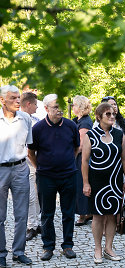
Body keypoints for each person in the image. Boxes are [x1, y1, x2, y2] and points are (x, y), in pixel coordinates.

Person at [28, 94, 80, 261]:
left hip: (68, 175)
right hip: (46, 177)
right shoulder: (37, 128)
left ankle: (68, 245)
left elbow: (76, 148)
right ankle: (48, 246)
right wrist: (40, 168)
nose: (60, 110)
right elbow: (31, 153)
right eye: (55, 107)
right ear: (46, 109)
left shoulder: (71, 126)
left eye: (61, 107)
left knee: (68, 212)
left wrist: (66, 162)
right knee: (47, 213)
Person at [82, 103, 125, 264]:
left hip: (115, 181)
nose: (111, 116)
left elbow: (124, 159)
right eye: (107, 114)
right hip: (97, 181)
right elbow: (85, 160)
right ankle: (97, 249)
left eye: (113, 114)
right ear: (99, 116)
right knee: (97, 216)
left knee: (112, 216)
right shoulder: (91, 135)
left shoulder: (119, 134)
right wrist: (86, 183)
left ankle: (109, 248)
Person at [0, 85, 33, 266]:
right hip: (0, 169)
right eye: (13, 98)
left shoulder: (25, 118)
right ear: (2, 100)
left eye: (19, 97)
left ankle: (19, 251)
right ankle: (0, 253)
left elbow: (28, 145)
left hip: (20, 168)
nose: (18, 101)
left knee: (22, 214)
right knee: (0, 216)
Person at [99, 96, 125, 210]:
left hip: (123, 160)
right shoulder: (98, 124)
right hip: (107, 161)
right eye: (110, 105)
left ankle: (122, 217)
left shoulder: (123, 123)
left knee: (124, 189)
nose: (114, 107)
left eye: (115, 104)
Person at [20, 92, 42, 241]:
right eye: (35, 104)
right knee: (30, 197)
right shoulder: (18, 120)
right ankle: (30, 226)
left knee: (39, 196)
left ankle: (37, 223)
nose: (37, 107)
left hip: (38, 160)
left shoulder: (36, 120)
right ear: (28, 104)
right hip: (25, 162)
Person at [71, 95, 93, 226]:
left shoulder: (85, 122)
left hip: (81, 158)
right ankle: (84, 212)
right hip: (77, 157)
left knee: (81, 184)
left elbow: (81, 145)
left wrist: (70, 157)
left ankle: (84, 213)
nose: (72, 107)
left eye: (74, 105)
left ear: (79, 107)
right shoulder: (77, 120)